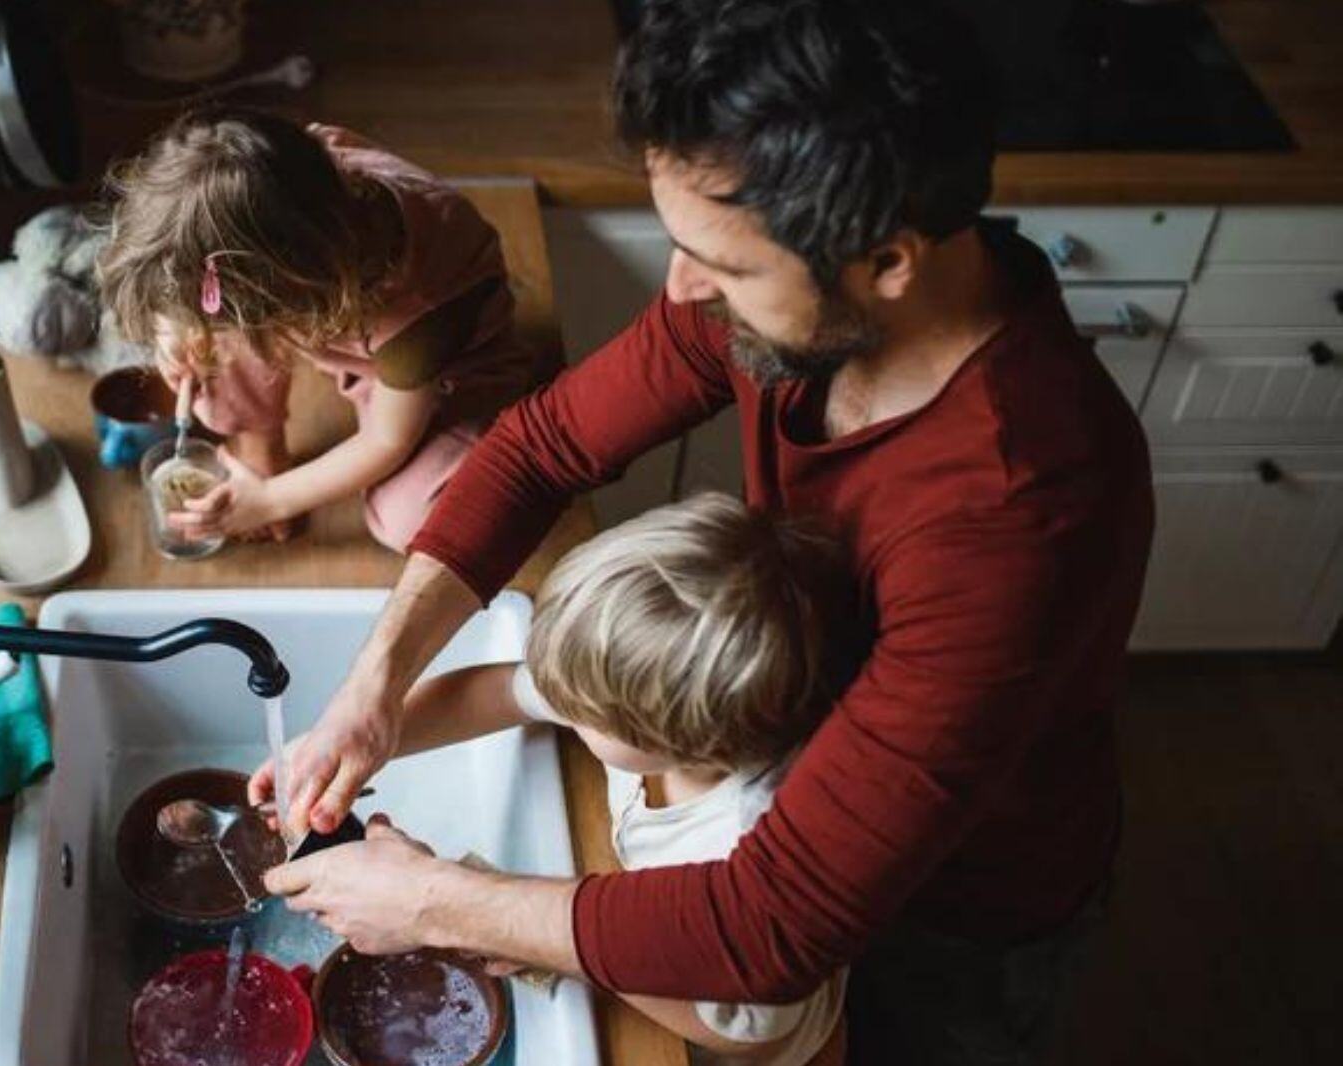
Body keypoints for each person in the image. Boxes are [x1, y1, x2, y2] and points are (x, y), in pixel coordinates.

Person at [256, 1, 1154, 1062]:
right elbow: (540, 448)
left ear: (888, 260)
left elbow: (771, 927)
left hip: (956, 904)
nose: (680, 289)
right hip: (773, 772)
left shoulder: (1019, 514)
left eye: (718, 267)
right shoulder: (780, 291)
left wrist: (439, 903)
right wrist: (375, 684)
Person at [386, 494, 858, 1064]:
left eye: (579, 710)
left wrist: (545, 942)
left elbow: (739, 1028)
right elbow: (497, 692)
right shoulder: (647, 702)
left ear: (675, 745)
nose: (555, 700)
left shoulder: (742, 840)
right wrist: (373, 741)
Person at [98, 108, 553, 549]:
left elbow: (387, 441)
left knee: (414, 521)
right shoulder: (295, 171)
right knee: (208, 338)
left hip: (448, 372)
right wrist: (173, 330)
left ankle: (482, 428)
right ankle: (261, 447)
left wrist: (273, 501)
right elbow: (211, 256)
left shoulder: (420, 311)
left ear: (301, 301)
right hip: (323, 307)